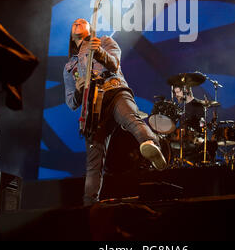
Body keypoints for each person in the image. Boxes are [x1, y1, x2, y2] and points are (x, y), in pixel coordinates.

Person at [63, 18, 166, 205]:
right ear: (71, 35)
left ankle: (151, 146)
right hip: (92, 110)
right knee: (93, 164)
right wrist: (79, 91)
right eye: (74, 23)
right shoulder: (70, 67)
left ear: (89, 29)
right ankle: (89, 206)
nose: (77, 22)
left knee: (131, 119)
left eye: (82, 21)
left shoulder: (104, 41)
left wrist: (99, 52)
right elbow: (71, 102)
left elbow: (114, 64)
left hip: (114, 91)